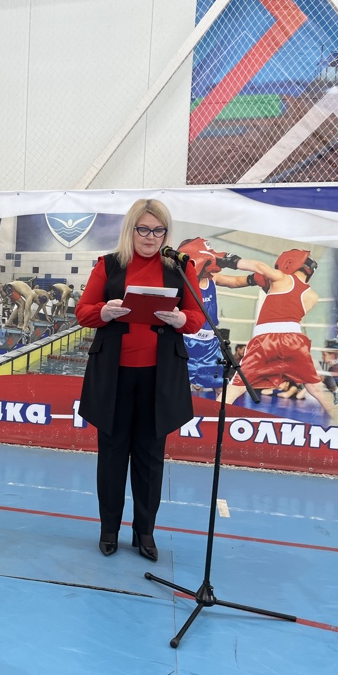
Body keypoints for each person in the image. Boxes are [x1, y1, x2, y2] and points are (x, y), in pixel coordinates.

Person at [75, 199, 205, 562]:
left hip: (159, 377)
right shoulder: (108, 265)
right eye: (143, 229)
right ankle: (109, 530)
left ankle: (144, 532)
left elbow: (197, 317)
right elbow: (83, 312)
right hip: (113, 376)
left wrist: (181, 320)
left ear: (166, 233)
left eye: (158, 230)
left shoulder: (180, 267)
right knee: (112, 456)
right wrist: (104, 311)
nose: (150, 237)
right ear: (130, 229)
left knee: (150, 458)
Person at [222, 249, 338, 415]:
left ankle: (211, 420)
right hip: (295, 341)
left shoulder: (281, 278)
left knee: (236, 386)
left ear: (288, 262)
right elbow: (287, 305)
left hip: (267, 339)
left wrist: (230, 260)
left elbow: (259, 267)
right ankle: (337, 419)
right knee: (314, 387)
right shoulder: (313, 296)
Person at [176, 237, 270, 395]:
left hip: (209, 344)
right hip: (186, 341)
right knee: (178, 384)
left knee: (220, 386)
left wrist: (254, 279)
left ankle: (222, 411)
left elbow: (235, 281)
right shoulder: (182, 281)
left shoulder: (212, 279)